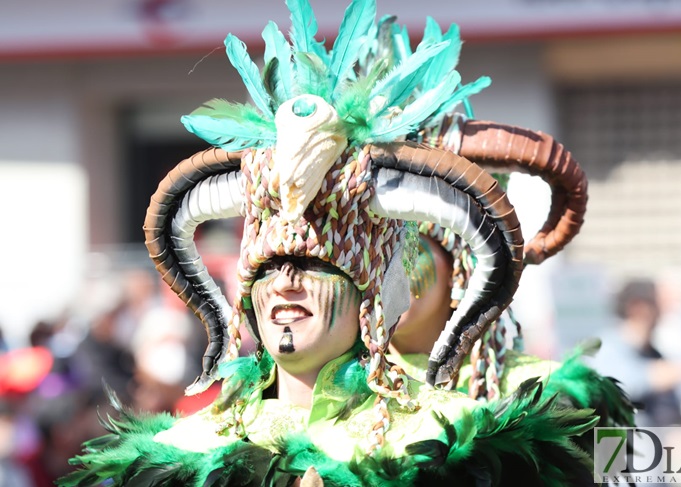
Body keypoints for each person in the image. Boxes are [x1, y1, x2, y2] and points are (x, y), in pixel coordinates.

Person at [60, 1, 615, 485]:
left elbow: (654, 469)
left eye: (416, 249)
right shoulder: (193, 448)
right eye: (270, 265)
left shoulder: (477, 423)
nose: (287, 281)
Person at [592, 278, 681, 427]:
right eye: (661, 303)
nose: (668, 311)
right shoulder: (606, 348)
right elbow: (621, 383)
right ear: (638, 307)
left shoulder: (653, 353)